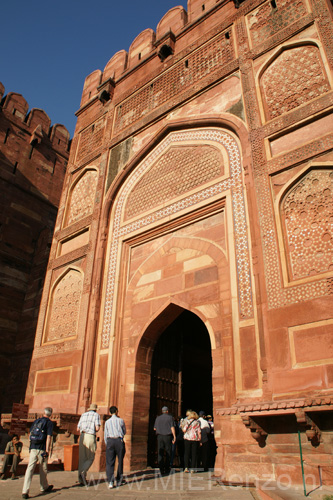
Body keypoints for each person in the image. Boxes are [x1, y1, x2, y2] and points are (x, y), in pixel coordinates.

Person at [22, 407, 54, 499]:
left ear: (43, 412)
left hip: (33, 447)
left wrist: (31, 445)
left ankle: (25, 491)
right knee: (43, 468)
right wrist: (47, 450)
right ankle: (44, 487)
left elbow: (29, 434)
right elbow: (48, 437)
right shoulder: (49, 423)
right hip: (42, 449)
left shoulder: (36, 421)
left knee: (30, 469)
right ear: (51, 414)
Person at [77, 403, 101, 486]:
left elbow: (78, 428)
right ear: (95, 409)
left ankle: (80, 479)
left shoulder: (83, 415)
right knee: (91, 457)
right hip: (90, 436)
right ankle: (84, 472)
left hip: (82, 436)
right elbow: (97, 428)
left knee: (82, 458)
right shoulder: (96, 415)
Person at [104, 406, 126, 489]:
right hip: (118, 441)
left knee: (110, 462)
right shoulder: (121, 420)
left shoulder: (107, 422)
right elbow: (124, 431)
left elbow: (105, 434)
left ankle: (110, 481)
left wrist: (107, 443)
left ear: (110, 412)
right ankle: (119, 480)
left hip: (110, 441)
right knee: (120, 460)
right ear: (117, 411)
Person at [154, 406, 176, 475]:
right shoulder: (170, 418)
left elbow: (154, 428)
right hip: (167, 436)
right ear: (167, 411)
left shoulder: (158, 418)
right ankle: (167, 468)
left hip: (160, 436)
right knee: (168, 452)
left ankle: (161, 468)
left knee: (160, 452)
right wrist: (174, 436)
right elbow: (172, 427)